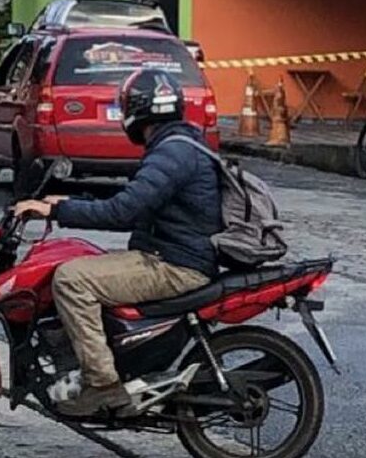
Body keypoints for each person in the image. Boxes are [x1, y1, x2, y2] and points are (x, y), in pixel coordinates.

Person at [13, 69, 221, 417]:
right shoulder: (179, 144)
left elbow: (122, 212)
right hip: (170, 253)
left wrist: (58, 210)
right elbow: (137, 196)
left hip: (175, 263)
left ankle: (103, 386)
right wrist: (65, 198)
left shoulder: (172, 152)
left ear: (135, 110)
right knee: (78, 261)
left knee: (72, 279)